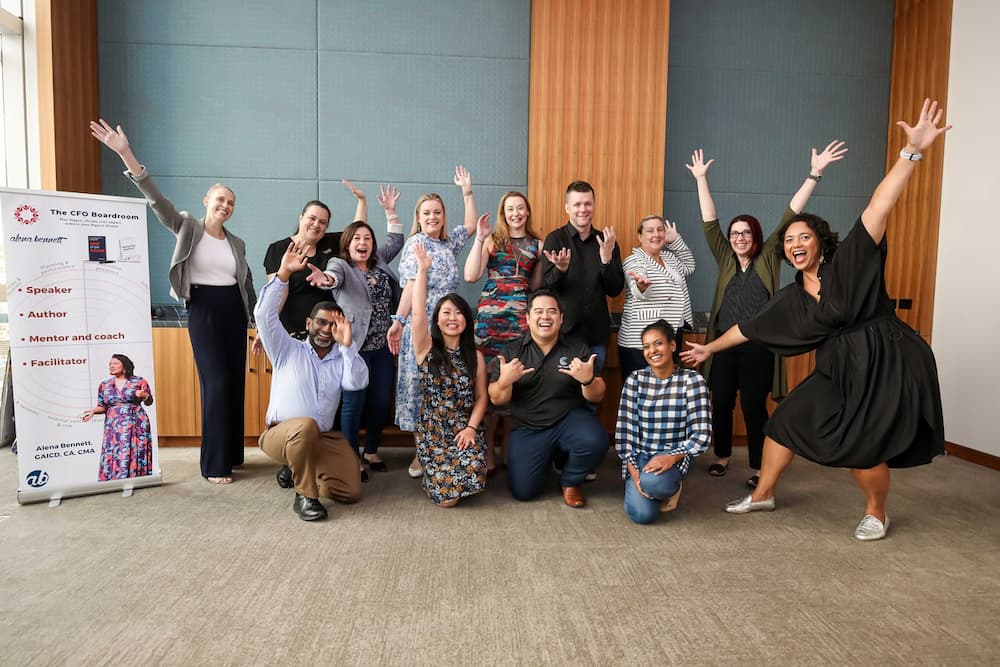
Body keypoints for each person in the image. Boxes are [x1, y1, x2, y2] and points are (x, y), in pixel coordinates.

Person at [681, 99, 950, 541]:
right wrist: (710, 347)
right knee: (783, 422)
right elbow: (749, 326)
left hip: (882, 361)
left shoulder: (849, 262)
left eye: (803, 236)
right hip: (837, 366)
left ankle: (877, 512)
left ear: (820, 242)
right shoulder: (793, 296)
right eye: (789, 240)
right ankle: (764, 492)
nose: (794, 243)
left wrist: (911, 153)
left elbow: (879, 207)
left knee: (863, 446)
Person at [90, 119, 254, 485]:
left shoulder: (237, 243)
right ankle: (214, 464)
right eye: (220, 199)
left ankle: (232, 454)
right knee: (216, 383)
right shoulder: (187, 226)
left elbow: (245, 283)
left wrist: (256, 322)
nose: (225, 205)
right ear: (207, 201)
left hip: (234, 311)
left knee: (234, 384)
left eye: (231, 202)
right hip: (204, 310)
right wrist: (125, 153)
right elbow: (156, 201)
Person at [686, 140, 847, 488]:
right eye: (734, 233)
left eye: (745, 233)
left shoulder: (770, 257)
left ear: (757, 237)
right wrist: (701, 179)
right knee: (722, 402)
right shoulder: (726, 258)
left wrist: (814, 174)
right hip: (723, 345)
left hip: (758, 345)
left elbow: (791, 214)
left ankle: (760, 466)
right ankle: (722, 457)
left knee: (755, 407)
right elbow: (709, 222)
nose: (739, 238)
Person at [254, 240, 368, 521]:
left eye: (334, 324)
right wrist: (282, 275)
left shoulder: (342, 357)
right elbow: (263, 315)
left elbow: (356, 384)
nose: (326, 329)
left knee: (350, 491)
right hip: (279, 433)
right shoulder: (286, 348)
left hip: (322, 437)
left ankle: (298, 466)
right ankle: (305, 495)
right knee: (305, 426)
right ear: (309, 324)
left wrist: (348, 346)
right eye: (321, 322)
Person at [387, 166, 481, 478]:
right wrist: (400, 321)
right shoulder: (416, 244)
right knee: (420, 388)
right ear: (419, 216)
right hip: (423, 325)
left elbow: (469, 225)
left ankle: (445, 446)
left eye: (437, 212)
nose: (432, 217)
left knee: (446, 389)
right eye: (426, 213)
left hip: (449, 323)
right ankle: (420, 453)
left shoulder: (447, 244)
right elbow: (411, 286)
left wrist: (466, 191)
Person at [314, 185, 404, 473]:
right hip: (354, 347)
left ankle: (373, 450)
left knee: (379, 402)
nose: (362, 242)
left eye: (367, 238)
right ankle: (352, 456)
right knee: (354, 402)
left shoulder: (379, 261)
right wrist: (325, 279)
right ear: (348, 244)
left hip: (383, 346)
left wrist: (390, 211)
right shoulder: (340, 265)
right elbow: (332, 279)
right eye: (356, 238)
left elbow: (397, 240)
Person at [488, 290, 608, 507]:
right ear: (528, 318)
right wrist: (504, 381)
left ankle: (571, 481)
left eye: (552, 312)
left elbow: (598, 395)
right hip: (528, 427)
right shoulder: (512, 351)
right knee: (524, 492)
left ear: (561, 318)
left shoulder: (577, 348)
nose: (545, 317)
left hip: (568, 420)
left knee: (595, 440)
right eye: (539, 311)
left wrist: (588, 380)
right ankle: (543, 461)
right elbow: (497, 399)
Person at [463, 191, 543, 472]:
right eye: (510, 209)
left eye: (520, 208)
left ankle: (509, 445)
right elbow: (471, 275)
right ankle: (487, 452)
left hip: (520, 322)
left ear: (527, 211)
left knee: (513, 382)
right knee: (485, 383)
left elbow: (537, 288)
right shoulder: (492, 240)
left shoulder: (538, 244)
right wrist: (479, 238)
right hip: (488, 321)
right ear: (503, 212)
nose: (516, 213)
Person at [410, 242, 488, 506]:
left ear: (466, 319)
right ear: (438, 320)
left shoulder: (475, 356)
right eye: (446, 312)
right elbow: (418, 311)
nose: (452, 317)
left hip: (463, 428)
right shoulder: (425, 347)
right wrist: (422, 271)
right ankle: (428, 469)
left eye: (458, 312)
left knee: (474, 476)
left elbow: (481, 398)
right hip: (433, 429)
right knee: (448, 500)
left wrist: (470, 429)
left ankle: (448, 469)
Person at [615, 321, 711, 524]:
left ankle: (665, 485)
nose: (652, 351)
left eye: (658, 343)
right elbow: (625, 432)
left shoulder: (692, 381)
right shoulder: (635, 379)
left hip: (673, 454)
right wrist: (634, 472)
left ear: (672, 345)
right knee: (642, 516)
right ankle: (647, 485)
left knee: (654, 485)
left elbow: (701, 435)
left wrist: (671, 457)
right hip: (640, 456)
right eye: (646, 346)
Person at [261, 180, 366, 337]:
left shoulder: (331, 243)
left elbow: (357, 233)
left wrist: (362, 201)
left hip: (329, 333)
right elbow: (277, 294)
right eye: (312, 218)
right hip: (293, 334)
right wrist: (266, 329)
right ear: (301, 217)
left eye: (322, 222)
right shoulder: (278, 249)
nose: (316, 225)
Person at [541, 180, 624, 374]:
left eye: (587, 203)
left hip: (596, 337)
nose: (583, 209)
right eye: (577, 204)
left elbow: (615, 290)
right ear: (567, 208)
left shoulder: (606, 242)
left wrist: (605, 261)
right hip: (562, 335)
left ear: (594, 206)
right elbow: (547, 287)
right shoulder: (555, 239)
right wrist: (560, 269)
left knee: (592, 394)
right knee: (562, 395)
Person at [619, 215, 696, 380]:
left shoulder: (670, 258)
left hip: (671, 333)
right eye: (650, 230)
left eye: (660, 230)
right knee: (640, 391)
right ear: (640, 236)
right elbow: (637, 287)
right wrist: (641, 285)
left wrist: (675, 241)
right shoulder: (634, 260)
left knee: (666, 391)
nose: (656, 234)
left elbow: (689, 267)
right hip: (640, 340)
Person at [83, 354, 154, 481]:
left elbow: (149, 402)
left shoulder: (139, 381)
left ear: (124, 365)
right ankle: (113, 480)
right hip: (114, 425)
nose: (111, 366)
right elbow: (102, 406)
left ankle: (138, 479)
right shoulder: (104, 385)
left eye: (115, 363)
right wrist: (93, 411)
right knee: (115, 451)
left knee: (135, 450)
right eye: (110, 364)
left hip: (137, 422)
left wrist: (145, 395)